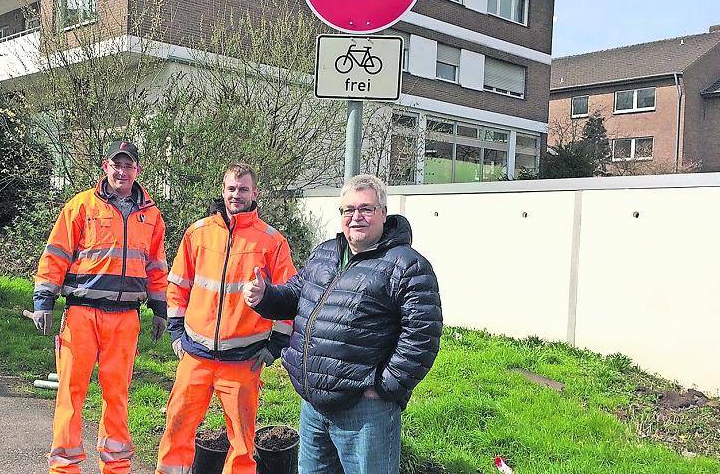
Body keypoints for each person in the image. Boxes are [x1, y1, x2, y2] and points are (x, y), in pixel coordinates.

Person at [244, 174, 442, 474]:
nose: (356, 217)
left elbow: (422, 337)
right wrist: (265, 295)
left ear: (383, 214)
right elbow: (297, 294)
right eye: (348, 210)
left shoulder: (408, 265)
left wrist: (384, 386)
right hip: (313, 406)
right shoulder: (326, 252)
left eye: (366, 209)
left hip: (364, 411)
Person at [31, 141, 169, 474]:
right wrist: (43, 300)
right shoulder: (81, 206)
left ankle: (117, 468)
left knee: (117, 396)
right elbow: (56, 254)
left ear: (138, 170)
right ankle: (64, 468)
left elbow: (156, 265)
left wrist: (161, 308)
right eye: (116, 165)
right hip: (81, 314)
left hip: (125, 320)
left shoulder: (151, 215)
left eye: (129, 166)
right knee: (71, 392)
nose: (122, 172)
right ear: (105, 166)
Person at [155, 163, 297, 474]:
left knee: (242, 446)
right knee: (176, 431)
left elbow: (290, 298)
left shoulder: (272, 242)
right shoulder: (198, 232)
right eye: (231, 188)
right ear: (223, 190)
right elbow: (178, 285)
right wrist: (177, 333)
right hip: (195, 357)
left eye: (243, 189)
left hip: (243, 363)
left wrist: (276, 346)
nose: (236, 194)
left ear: (255, 193)